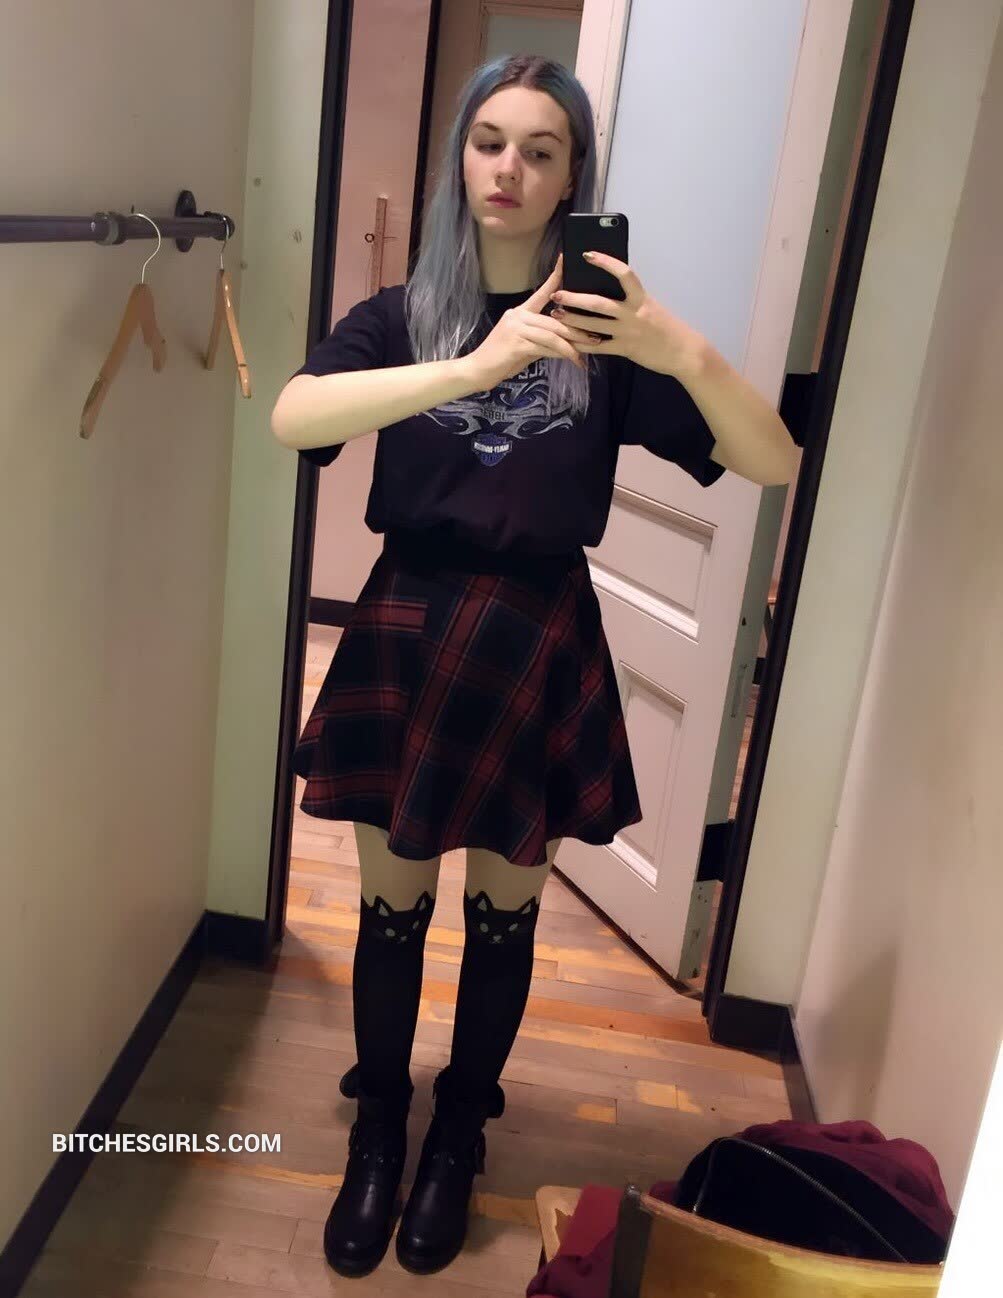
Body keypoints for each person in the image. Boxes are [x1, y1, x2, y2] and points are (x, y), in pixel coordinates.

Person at [271, 52, 796, 1280]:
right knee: (392, 906)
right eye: (489, 141)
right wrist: (472, 367)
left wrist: (674, 344)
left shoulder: (608, 344)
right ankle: (381, 1131)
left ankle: (459, 1135)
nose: (508, 168)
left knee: (503, 915)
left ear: (573, 179)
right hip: (409, 623)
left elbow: (771, 459)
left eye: (540, 150)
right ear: (460, 157)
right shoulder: (401, 316)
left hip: (537, 634)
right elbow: (295, 415)